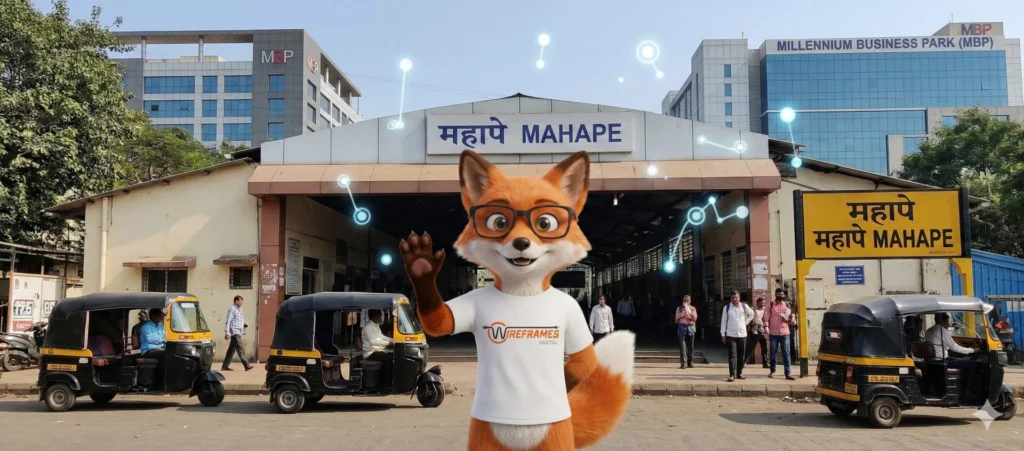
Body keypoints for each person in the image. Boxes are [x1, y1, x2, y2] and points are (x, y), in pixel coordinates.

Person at [925, 313, 980, 402]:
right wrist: (972, 350)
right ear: (944, 321)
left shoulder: (929, 331)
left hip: (933, 361)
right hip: (943, 361)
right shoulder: (942, 331)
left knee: (964, 361)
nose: (948, 324)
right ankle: (969, 393)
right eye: (947, 321)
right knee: (971, 364)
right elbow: (954, 348)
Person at [720, 291, 755, 381]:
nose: (735, 299)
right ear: (731, 298)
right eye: (733, 297)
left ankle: (739, 373)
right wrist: (723, 334)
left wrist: (745, 322)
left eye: (736, 297)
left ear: (739, 298)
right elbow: (723, 321)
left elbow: (751, 314)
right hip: (731, 334)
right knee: (732, 355)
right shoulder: (727, 308)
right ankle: (732, 374)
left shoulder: (744, 306)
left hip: (742, 334)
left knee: (741, 355)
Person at [764, 288, 796, 380]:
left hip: (784, 332)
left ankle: (788, 373)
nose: (780, 296)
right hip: (773, 333)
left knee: (786, 353)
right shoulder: (770, 305)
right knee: (773, 353)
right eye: (779, 294)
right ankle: (772, 371)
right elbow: (766, 317)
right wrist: (766, 326)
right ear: (775, 294)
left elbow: (791, 318)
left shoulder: (787, 305)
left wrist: (791, 320)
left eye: (782, 294)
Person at [362, 309, 394, 386]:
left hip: (378, 351)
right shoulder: (368, 328)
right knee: (389, 359)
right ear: (375, 316)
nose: (381, 318)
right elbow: (373, 341)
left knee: (394, 356)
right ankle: (386, 384)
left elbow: (381, 336)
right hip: (370, 353)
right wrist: (388, 343)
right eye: (380, 316)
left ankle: (390, 381)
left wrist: (391, 339)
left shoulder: (376, 326)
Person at [222, 295, 252, 371]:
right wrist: (227, 332)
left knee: (231, 350)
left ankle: (225, 366)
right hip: (235, 332)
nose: (242, 302)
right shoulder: (232, 309)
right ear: (236, 301)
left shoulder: (240, 310)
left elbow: (240, 320)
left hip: (239, 332)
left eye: (242, 301)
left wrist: (244, 324)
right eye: (240, 301)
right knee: (240, 348)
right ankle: (246, 365)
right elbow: (228, 321)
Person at [675, 295, 698, 369]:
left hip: (690, 326)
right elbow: (676, 320)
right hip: (682, 326)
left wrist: (688, 311)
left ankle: (690, 362)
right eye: (684, 300)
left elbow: (694, 318)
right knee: (683, 346)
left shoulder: (693, 308)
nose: (686, 302)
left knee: (691, 345)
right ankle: (683, 363)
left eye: (687, 301)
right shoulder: (679, 308)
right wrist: (682, 314)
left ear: (690, 301)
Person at [746, 297, 769, 369]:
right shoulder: (753, 309)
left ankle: (765, 363)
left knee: (764, 348)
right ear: (757, 302)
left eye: (764, 302)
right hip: (754, 330)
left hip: (763, 330)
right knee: (751, 347)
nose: (763, 304)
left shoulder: (765, 310)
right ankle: (744, 361)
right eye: (761, 302)